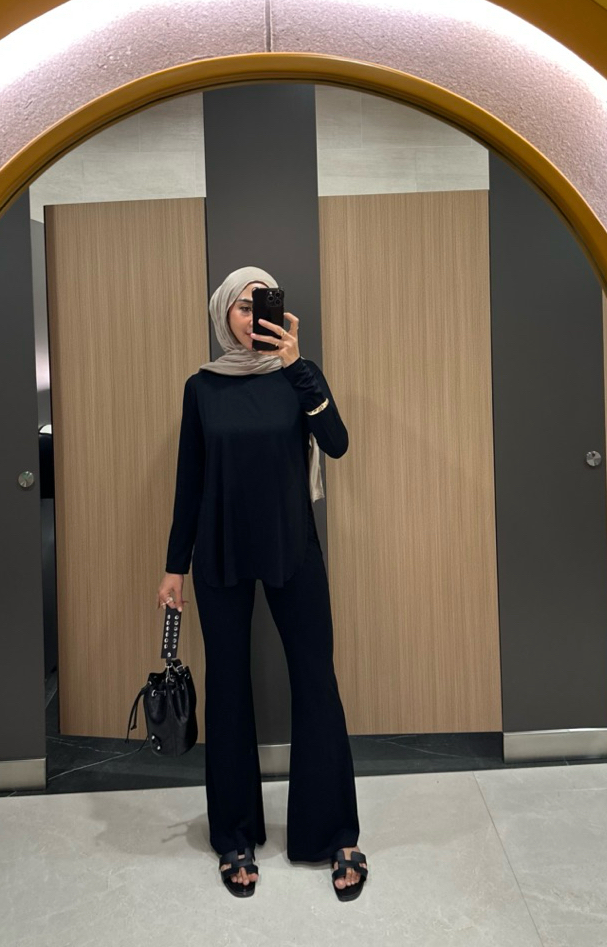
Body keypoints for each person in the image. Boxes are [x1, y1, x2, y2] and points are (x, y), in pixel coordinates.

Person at [156, 266, 369, 901]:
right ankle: (235, 836)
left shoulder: (296, 376)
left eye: (263, 305)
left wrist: (299, 366)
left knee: (316, 681)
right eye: (243, 307)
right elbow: (190, 480)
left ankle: (333, 833)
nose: (254, 317)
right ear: (224, 314)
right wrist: (174, 566)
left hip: (291, 546)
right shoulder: (202, 388)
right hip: (219, 549)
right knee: (228, 688)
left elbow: (337, 443)